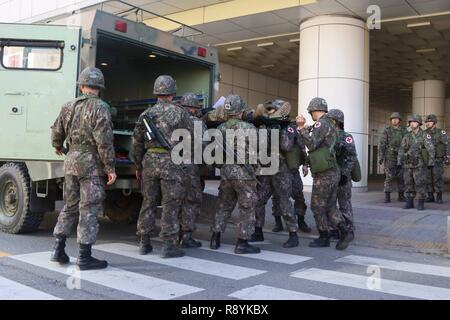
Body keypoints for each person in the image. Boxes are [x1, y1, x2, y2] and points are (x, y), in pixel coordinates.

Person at [50, 67, 116, 270]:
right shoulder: (101, 107)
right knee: (88, 209)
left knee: (69, 206)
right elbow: (103, 141)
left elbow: (56, 131)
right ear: (100, 87)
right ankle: (85, 257)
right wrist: (110, 167)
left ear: (82, 85)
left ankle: (58, 250)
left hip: (71, 161)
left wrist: (58, 146)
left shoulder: (68, 106)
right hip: (91, 164)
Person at [133, 75, 193, 258]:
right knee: (170, 204)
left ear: (156, 92)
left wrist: (138, 165)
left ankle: (144, 242)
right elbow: (190, 140)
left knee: (148, 202)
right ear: (173, 93)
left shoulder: (146, 114)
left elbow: (137, 143)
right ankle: (168, 245)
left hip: (149, 162)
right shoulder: (181, 113)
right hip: (172, 162)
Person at [296, 97, 352, 250]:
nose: (310, 115)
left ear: (315, 110)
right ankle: (344, 230)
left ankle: (324, 236)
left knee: (317, 206)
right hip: (332, 171)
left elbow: (312, 144)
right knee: (331, 205)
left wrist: (301, 128)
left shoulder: (321, 123)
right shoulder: (331, 125)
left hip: (324, 173)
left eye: (310, 112)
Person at [210, 94, 261, 254]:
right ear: (241, 111)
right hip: (244, 173)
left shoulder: (220, 129)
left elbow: (215, 154)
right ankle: (242, 243)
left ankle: (215, 238)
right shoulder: (249, 128)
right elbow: (257, 151)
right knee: (247, 206)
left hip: (226, 172)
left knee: (224, 205)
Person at [251, 99, 299, 248]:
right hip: (265, 168)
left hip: (281, 169)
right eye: (268, 110)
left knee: (284, 201)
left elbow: (286, 145)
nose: (269, 112)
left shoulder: (288, 126)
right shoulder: (263, 125)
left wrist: (276, 129)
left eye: (272, 110)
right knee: (258, 200)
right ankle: (257, 230)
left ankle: (293, 234)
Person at [177, 92, 207, 248]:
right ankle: (186, 236)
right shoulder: (197, 123)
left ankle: (173, 234)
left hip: (172, 167)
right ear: (194, 108)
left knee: (174, 200)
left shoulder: (174, 119)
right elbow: (205, 146)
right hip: (190, 167)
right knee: (192, 200)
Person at [328, 109, 357, 239]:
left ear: (335, 121)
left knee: (344, 203)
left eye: (330, 119)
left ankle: (349, 229)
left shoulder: (347, 137)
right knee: (331, 203)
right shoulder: (326, 136)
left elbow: (352, 157)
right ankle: (334, 228)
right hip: (329, 176)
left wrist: (345, 174)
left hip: (343, 176)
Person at [397, 114, 435, 210]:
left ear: (419, 123)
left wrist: (431, 162)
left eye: (415, 122)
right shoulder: (407, 136)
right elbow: (401, 150)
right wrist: (399, 161)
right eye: (411, 122)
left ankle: (420, 202)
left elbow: (431, 149)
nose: (413, 124)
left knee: (420, 183)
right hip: (408, 164)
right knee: (408, 183)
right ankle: (409, 202)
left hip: (420, 164)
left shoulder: (425, 135)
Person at [378, 112, 407, 203]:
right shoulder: (387, 131)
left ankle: (401, 195)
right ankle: (387, 196)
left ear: (399, 120)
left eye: (396, 119)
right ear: (391, 121)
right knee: (389, 177)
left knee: (401, 177)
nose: (394, 120)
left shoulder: (404, 131)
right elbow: (382, 145)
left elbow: (407, 144)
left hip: (401, 158)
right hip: (390, 157)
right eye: (393, 119)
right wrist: (381, 157)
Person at [424, 114, 449, 204]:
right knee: (428, 178)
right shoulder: (424, 133)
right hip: (427, 161)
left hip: (438, 160)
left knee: (438, 178)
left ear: (434, 122)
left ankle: (439, 196)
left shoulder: (440, 132)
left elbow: (447, 144)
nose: (427, 123)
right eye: (426, 122)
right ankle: (430, 196)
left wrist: (447, 156)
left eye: (429, 122)